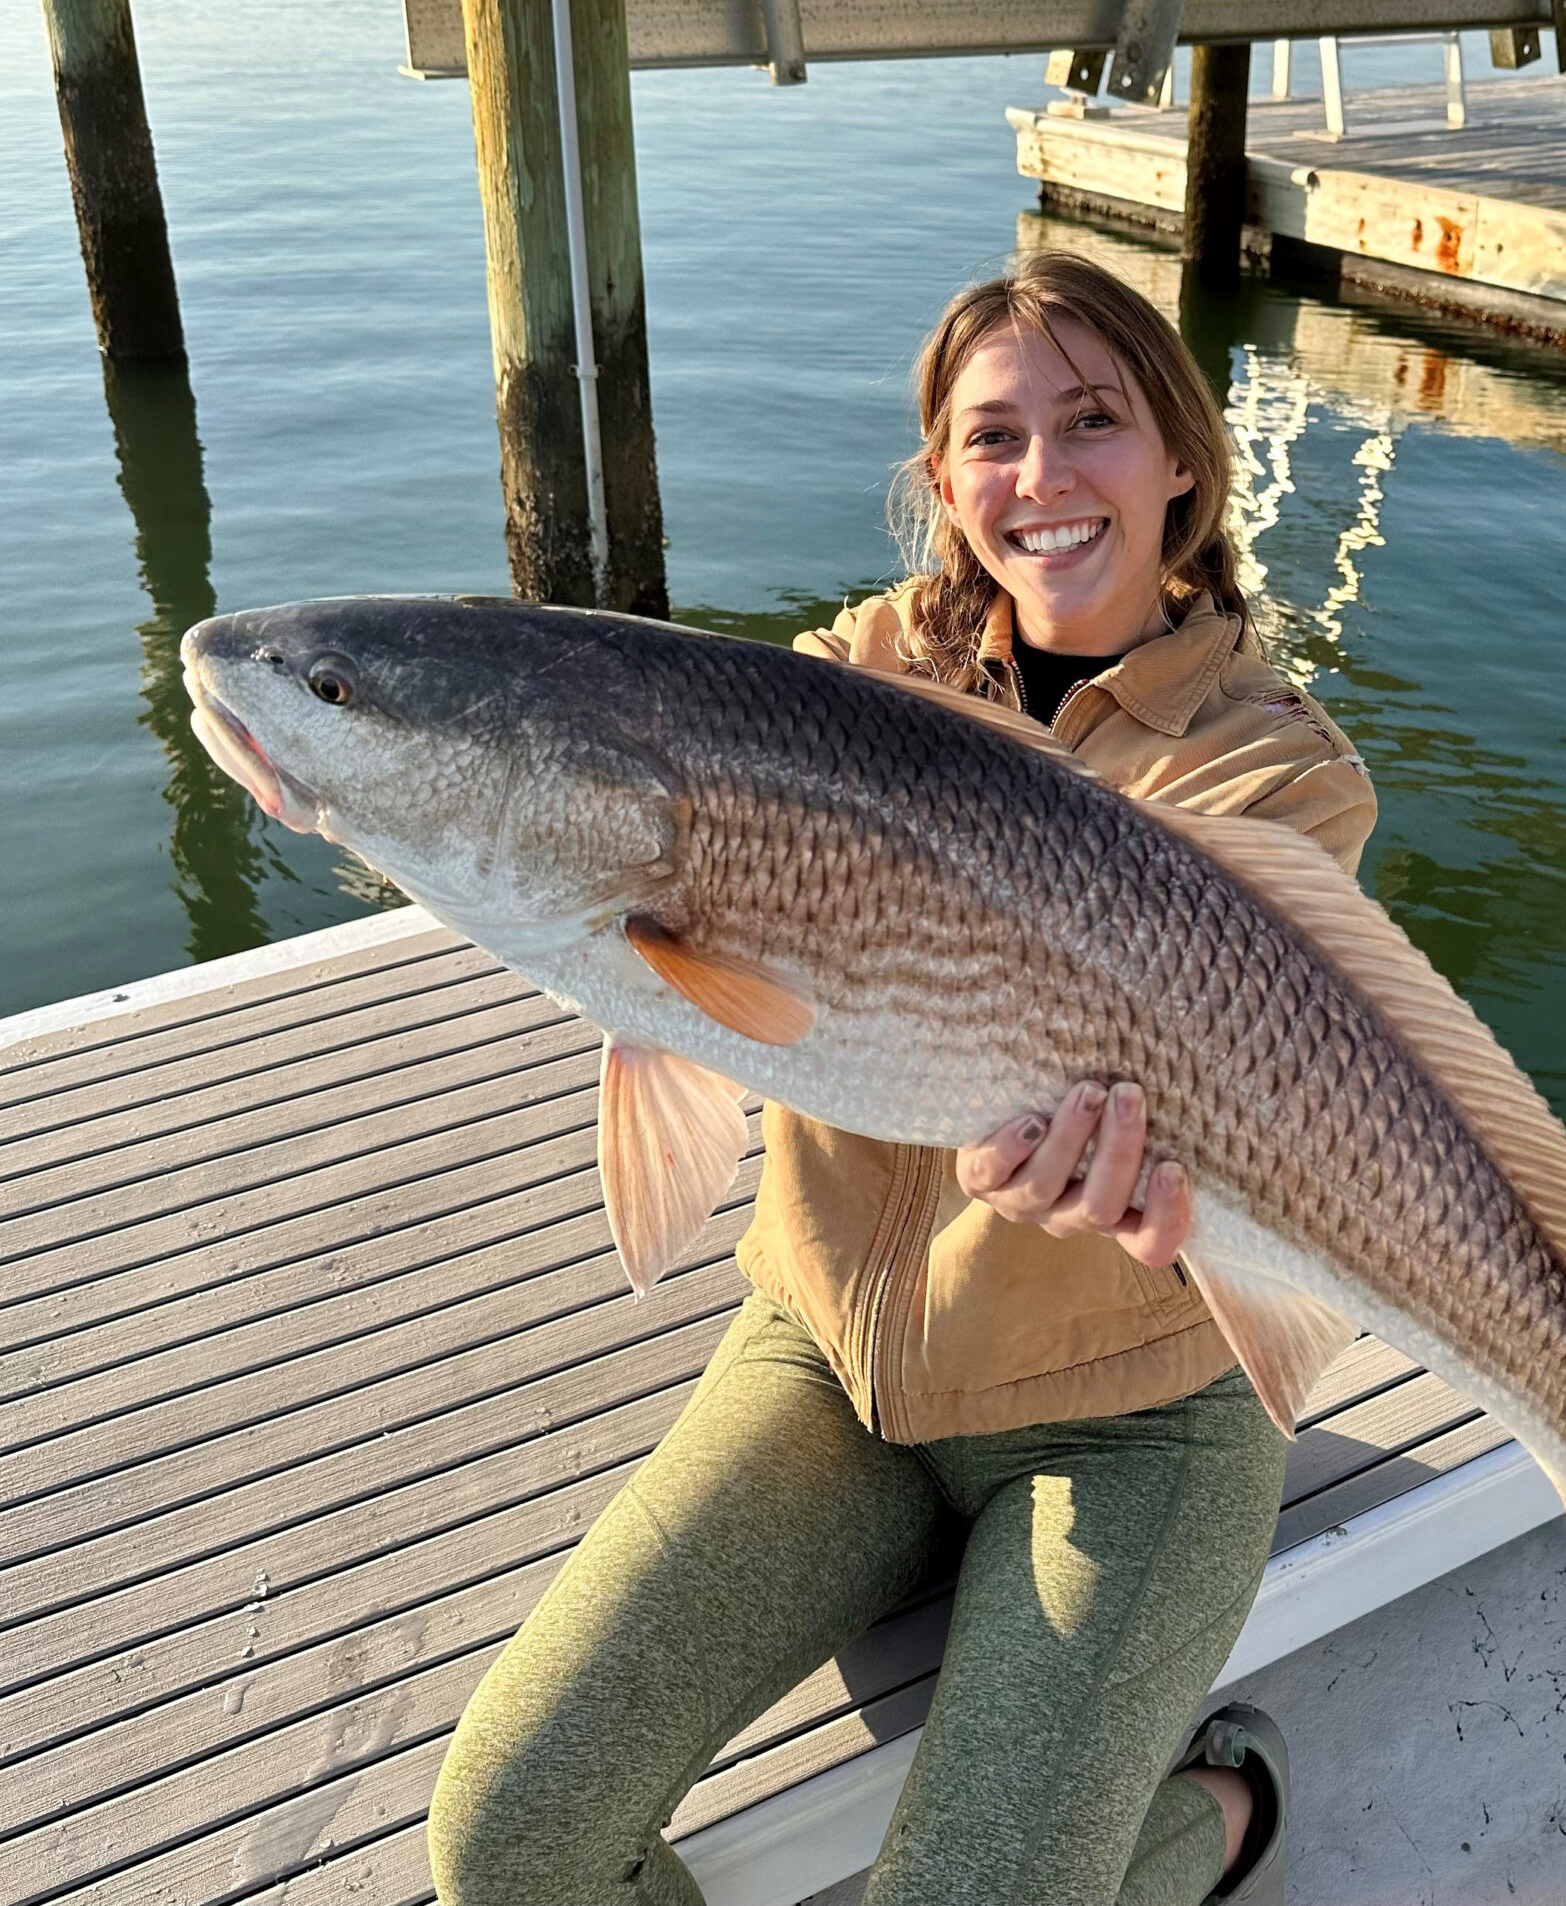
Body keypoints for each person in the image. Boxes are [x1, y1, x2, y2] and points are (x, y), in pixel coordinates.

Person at [428, 250, 1377, 1906]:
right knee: (505, 1845)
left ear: (1179, 458)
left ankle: (1220, 1811)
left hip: (1131, 1422)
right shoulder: (844, 678)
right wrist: (383, 784)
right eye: (991, 438)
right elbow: (622, 856)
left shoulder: (1272, 770)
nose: (1042, 478)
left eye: (1092, 422)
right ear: (942, 483)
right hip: (832, 1367)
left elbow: (1267, 1107)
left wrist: (1132, 1186)